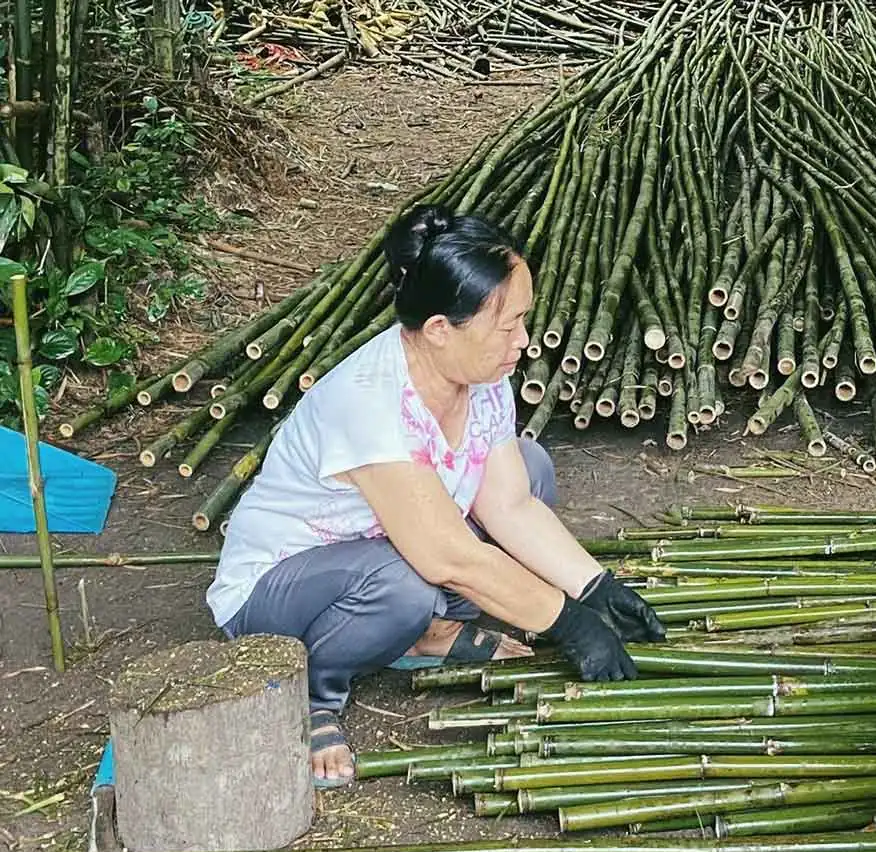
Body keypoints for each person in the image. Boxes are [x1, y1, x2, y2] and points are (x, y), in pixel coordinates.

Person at [206, 205, 665, 787]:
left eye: (524, 321)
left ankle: (426, 631)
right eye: (507, 326)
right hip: (278, 597)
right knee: (404, 583)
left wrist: (595, 587)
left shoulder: (482, 378)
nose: (522, 341)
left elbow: (510, 506)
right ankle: (312, 690)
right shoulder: (371, 401)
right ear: (441, 328)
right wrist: (567, 623)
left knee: (530, 469)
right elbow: (446, 556)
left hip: (388, 550)